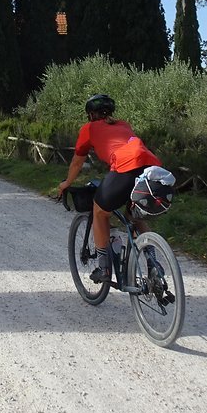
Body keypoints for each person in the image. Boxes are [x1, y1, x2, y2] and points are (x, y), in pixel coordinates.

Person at [57, 94, 162, 283]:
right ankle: (153, 263)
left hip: (126, 167)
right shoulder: (124, 124)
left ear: (90, 115)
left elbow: (76, 162)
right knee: (134, 215)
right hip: (151, 168)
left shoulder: (89, 128)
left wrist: (66, 183)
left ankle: (104, 268)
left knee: (99, 210)